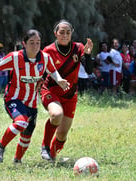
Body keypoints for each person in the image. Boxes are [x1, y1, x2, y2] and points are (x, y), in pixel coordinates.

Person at [0, 29, 70, 164]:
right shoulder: (15, 57)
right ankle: (0, 146)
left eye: (38, 43)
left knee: (26, 135)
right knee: (21, 122)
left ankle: (17, 161)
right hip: (13, 98)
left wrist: (59, 79)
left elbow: (52, 70)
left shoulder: (44, 58)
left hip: (31, 102)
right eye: (31, 43)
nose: (35, 46)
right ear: (24, 44)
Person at [40, 20, 93, 161]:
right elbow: (41, 73)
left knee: (62, 133)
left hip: (70, 95)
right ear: (55, 33)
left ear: (72, 34)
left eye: (68, 32)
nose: (65, 35)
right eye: (61, 32)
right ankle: (45, 146)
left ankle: (52, 156)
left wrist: (87, 55)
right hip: (51, 91)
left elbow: (88, 70)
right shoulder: (48, 51)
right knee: (56, 115)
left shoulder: (78, 48)